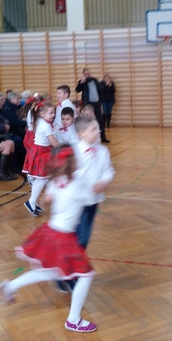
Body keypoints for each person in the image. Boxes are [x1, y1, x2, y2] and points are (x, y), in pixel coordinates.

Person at [0, 144, 99, 333]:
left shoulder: (56, 180)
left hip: (50, 232)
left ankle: (10, 286)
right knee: (86, 275)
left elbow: (48, 198)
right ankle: (73, 319)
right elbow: (92, 197)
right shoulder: (77, 184)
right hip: (63, 238)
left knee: (50, 272)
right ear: (71, 162)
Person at [57, 115, 114, 292]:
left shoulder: (103, 151)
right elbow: (67, 176)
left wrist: (103, 182)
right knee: (76, 238)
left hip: (92, 202)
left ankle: (66, 272)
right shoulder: (74, 153)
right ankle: (67, 274)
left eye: (98, 128)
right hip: (76, 203)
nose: (98, 131)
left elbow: (108, 171)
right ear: (81, 133)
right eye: (94, 129)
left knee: (83, 239)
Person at [23, 102, 59, 215]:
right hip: (41, 152)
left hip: (41, 150)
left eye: (54, 112)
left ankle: (32, 202)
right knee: (42, 178)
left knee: (41, 178)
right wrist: (64, 148)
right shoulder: (46, 125)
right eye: (51, 113)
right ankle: (31, 202)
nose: (53, 115)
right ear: (42, 114)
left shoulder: (40, 120)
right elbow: (54, 142)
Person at [75, 68, 109, 143]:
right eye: (86, 73)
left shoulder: (95, 80)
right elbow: (77, 90)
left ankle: (103, 136)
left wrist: (105, 85)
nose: (88, 74)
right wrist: (81, 83)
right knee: (87, 119)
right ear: (84, 74)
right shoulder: (82, 81)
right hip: (88, 103)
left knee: (100, 119)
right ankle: (86, 136)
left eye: (89, 73)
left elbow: (100, 89)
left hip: (96, 103)